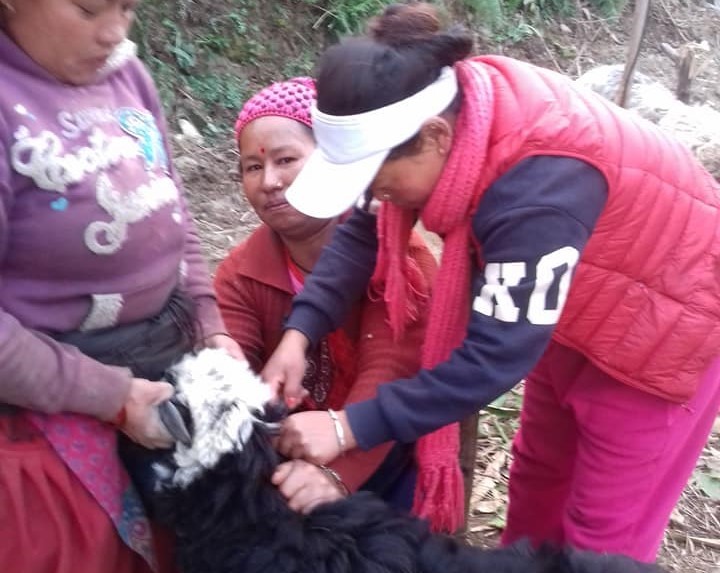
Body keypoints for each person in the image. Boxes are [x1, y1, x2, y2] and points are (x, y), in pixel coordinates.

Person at [262, 1, 720, 562]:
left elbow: (494, 359)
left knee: (602, 536)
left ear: (433, 137)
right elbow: (365, 226)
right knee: (538, 483)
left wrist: (347, 426)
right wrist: (299, 332)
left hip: (668, 324)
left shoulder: (537, 186)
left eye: (378, 180)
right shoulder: (455, 104)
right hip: (577, 305)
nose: (375, 197)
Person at [0, 1, 244, 572]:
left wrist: (209, 326)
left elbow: (171, 208)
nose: (113, 31)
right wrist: (113, 395)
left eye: (129, 6)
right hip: (43, 413)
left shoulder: (127, 75)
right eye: (87, 8)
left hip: (162, 372)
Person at [214, 77, 440, 514]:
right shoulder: (239, 275)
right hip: (284, 453)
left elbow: (390, 370)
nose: (270, 181)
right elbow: (231, 368)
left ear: (333, 162)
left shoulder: (398, 260)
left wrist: (337, 474)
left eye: (286, 159)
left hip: (383, 445)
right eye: (253, 167)